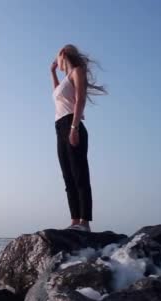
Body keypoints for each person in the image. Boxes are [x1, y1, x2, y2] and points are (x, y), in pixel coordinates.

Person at [51, 44, 106, 232]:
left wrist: (74, 128)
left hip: (71, 124)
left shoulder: (77, 71)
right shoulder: (65, 78)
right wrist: (53, 73)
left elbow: (80, 99)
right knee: (68, 176)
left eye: (56, 57)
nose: (56, 61)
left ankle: (85, 222)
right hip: (59, 127)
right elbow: (58, 95)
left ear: (62, 54)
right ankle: (75, 220)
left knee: (80, 174)